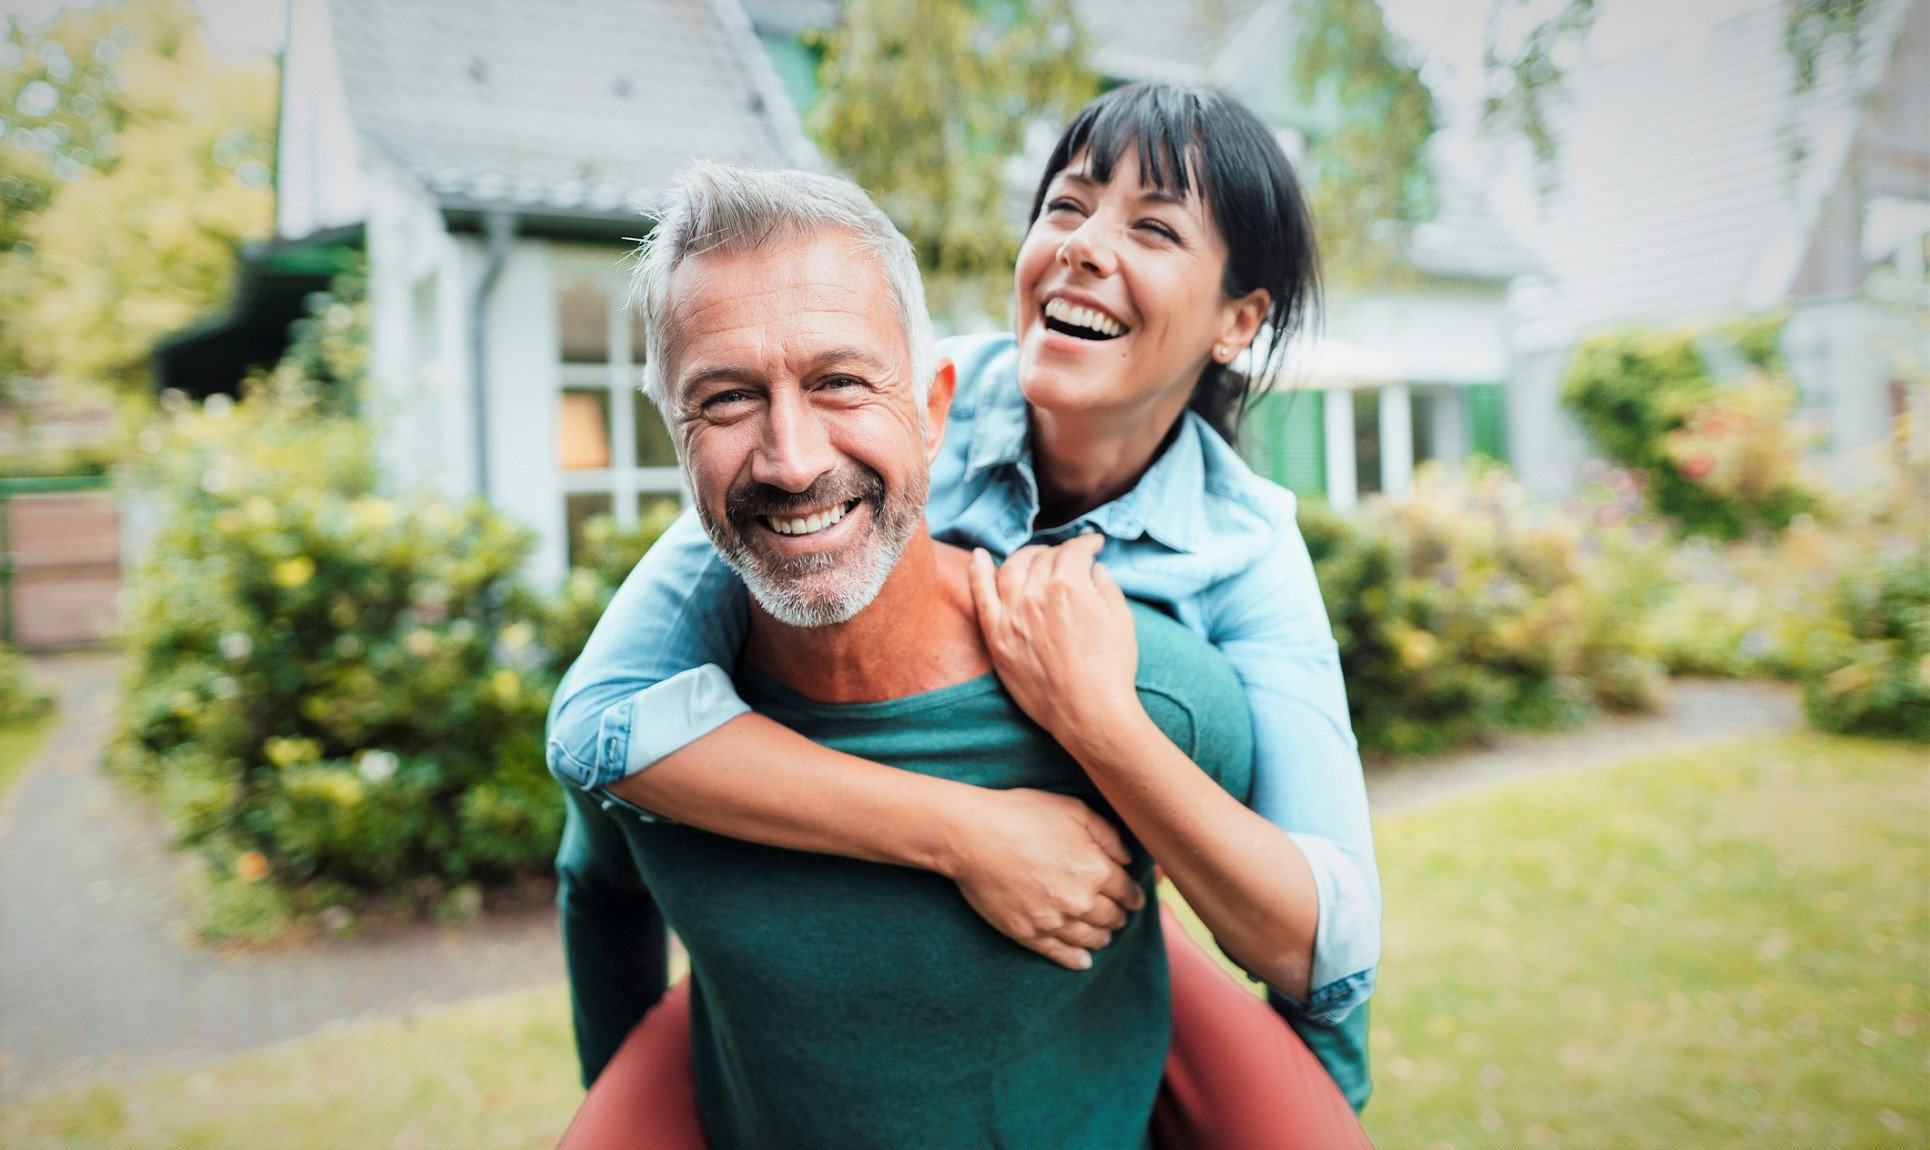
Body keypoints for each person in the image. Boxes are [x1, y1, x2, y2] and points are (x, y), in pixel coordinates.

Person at [551, 82, 1379, 1118]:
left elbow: (1330, 941)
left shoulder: (1241, 549)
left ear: (1237, 321)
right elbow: (597, 722)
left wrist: (1097, 720)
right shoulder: (866, 414)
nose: (1082, 245)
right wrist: (969, 829)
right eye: (1065, 207)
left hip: (1126, 871)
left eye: (1154, 226)